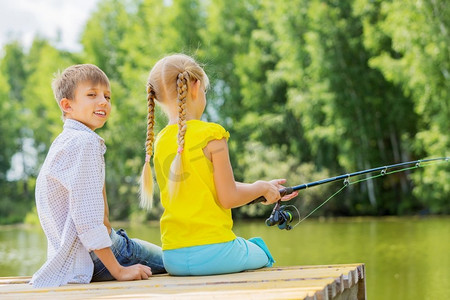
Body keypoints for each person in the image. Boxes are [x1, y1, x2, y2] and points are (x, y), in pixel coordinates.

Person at [139, 54, 298, 276]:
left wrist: (262, 189)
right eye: (204, 90)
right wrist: (260, 188)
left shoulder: (160, 142)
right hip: (214, 254)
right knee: (262, 250)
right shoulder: (212, 134)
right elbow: (228, 197)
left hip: (172, 258)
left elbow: (213, 187)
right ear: (195, 87)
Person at [31, 64, 165, 288]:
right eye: (92, 95)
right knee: (179, 260)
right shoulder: (86, 143)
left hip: (76, 260)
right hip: (100, 258)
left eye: (107, 96)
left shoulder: (63, 143)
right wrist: (119, 271)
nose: (103, 101)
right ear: (67, 105)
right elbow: (88, 219)